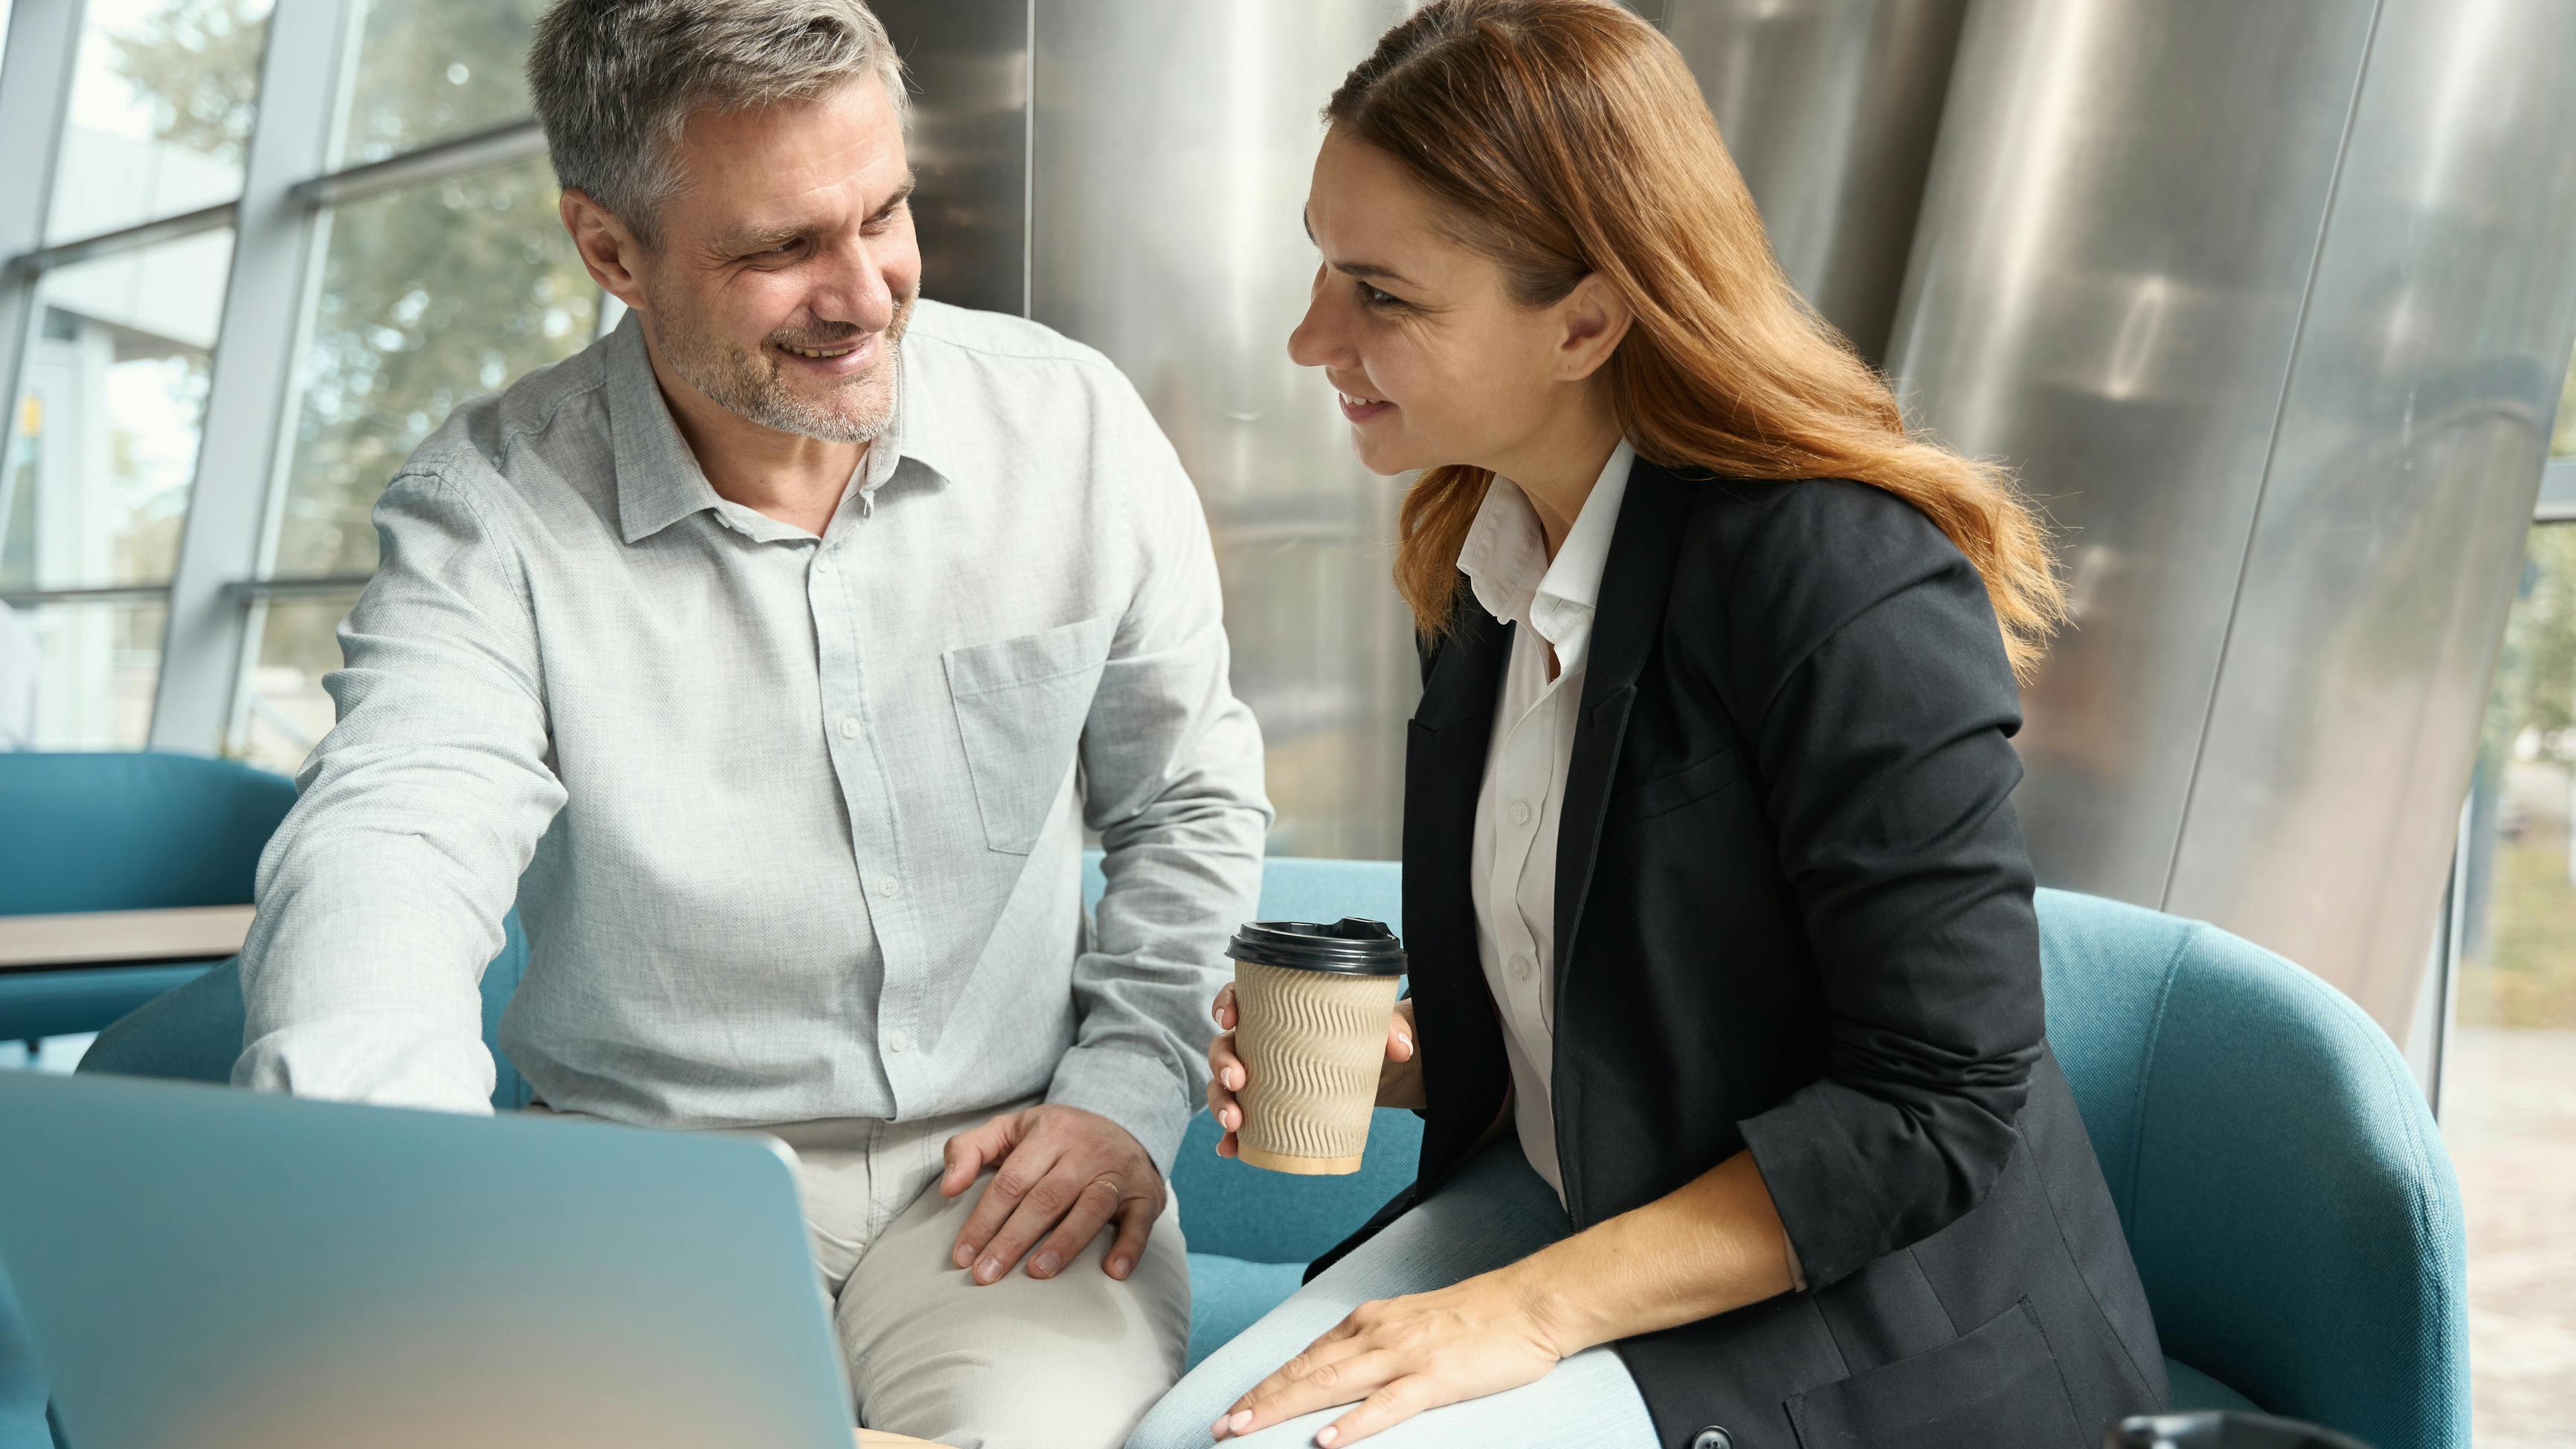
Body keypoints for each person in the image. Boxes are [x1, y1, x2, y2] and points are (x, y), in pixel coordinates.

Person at [233, 2, 1271, 1444]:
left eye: (885, 213)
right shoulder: (491, 506)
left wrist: (1121, 1089)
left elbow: (1186, 804)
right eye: (782, 249)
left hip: (1000, 1179)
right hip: (642, 1192)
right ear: (609, 251)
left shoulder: (1070, 425)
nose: (864, 295)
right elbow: (395, 827)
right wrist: (396, 1192)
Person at [1132, 2, 2165, 1446]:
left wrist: (1524, 1310)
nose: (1311, 337)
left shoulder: (1842, 582)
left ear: (1588, 319)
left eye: (1381, 293)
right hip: (1597, 1214)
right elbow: (1629, 992)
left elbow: (1936, 1110)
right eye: (1323, 266)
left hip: (1852, 1308)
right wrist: (1420, 1062)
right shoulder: (1487, 565)